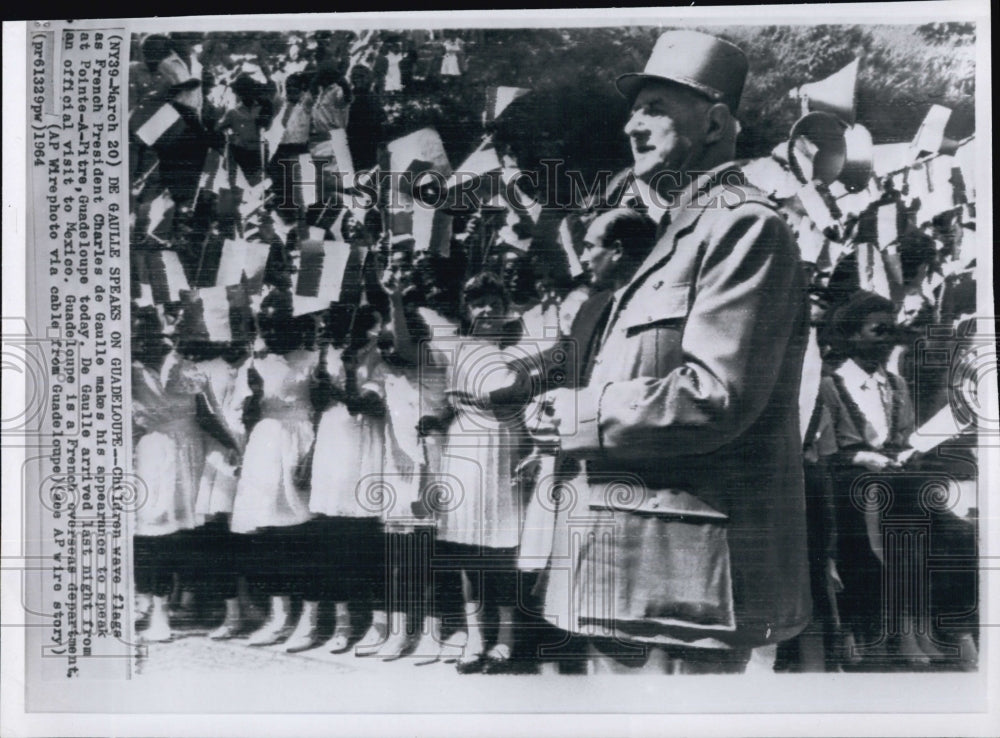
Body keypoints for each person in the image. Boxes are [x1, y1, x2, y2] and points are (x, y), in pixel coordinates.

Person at [540, 30, 812, 674]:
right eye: (634, 108)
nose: (632, 124)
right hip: (633, 566)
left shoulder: (743, 225)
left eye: (656, 106)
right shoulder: (681, 230)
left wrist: (582, 415)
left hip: (685, 580)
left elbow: (716, 396)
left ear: (715, 123)